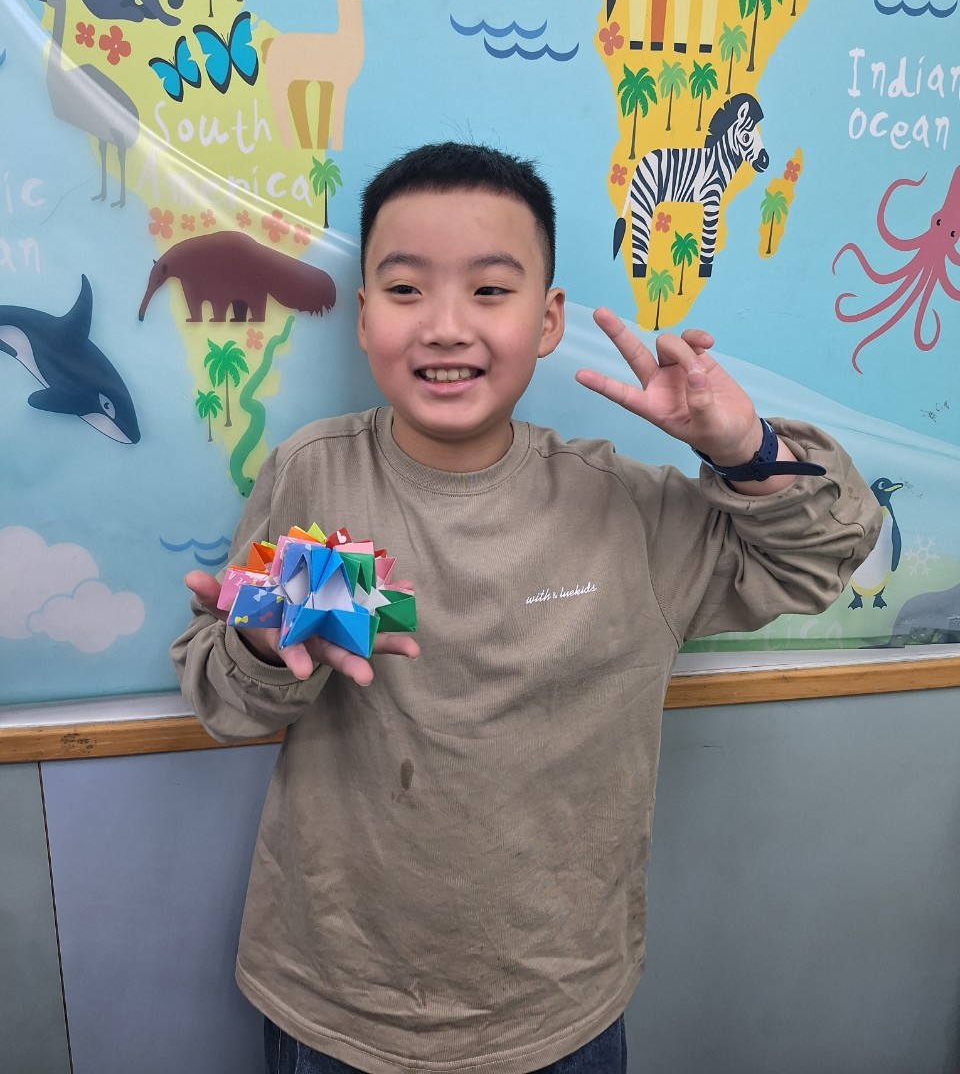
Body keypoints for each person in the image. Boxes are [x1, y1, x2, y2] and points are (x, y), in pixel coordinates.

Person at [172, 142, 881, 1074]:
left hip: (555, 1009)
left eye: (490, 290)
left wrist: (745, 450)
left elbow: (822, 554)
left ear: (547, 321)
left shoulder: (622, 509)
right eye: (406, 289)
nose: (446, 327)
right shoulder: (314, 472)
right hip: (335, 999)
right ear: (364, 315)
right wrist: (262, 647)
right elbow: (225, 700)